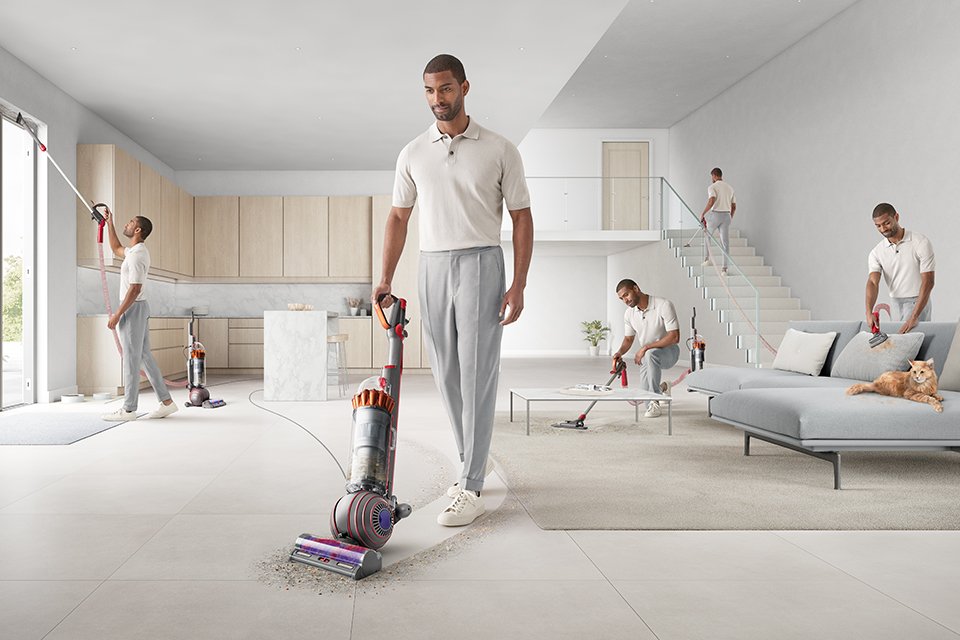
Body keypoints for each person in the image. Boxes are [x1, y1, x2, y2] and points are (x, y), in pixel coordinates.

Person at [374, 54, 533, 527]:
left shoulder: (500, 149)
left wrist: (518, 283)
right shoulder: (413, 152)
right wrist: (384, 278)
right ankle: (471, 465)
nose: (437, 99)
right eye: (429, 90)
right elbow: (398, 217)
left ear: (464, 87)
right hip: (432, 266)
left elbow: (521, 216)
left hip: (483, 262)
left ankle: (471, 484)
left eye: (445, 89)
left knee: (477, 372)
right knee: (445, 374)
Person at [101, 209, 178, 421]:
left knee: (131, 360)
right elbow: (116, 248)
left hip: (133, 308)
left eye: (130, 222)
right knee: (144, 356)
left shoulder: (138, 256)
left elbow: (134, 288)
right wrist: (110, 223)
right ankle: (167, 402)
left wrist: (117, 314)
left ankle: (128, 409)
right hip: (138, 308)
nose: (127, 224)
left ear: (137, 229)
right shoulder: (135, 252)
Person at [611, 279, 680, 418]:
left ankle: (655, 400)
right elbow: (628, 339)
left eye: (626, 295)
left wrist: (646, 348)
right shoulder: (629, 314)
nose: (625, 300)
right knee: (644, 397)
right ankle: (663, 388)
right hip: (647, 356)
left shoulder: (663, 305)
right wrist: (619, 352)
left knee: (650, 354)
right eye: (621, 298)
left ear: (636, 288)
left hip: (669, 352)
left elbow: (674, 337)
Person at [865, 203, 935, 333]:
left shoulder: (920, 242)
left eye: (886, 223)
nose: (883, 229)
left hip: (918, 301)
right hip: (895, 303)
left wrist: (914, 316)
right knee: (898, 344)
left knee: (914, 343)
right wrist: (868, 312)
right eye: (878, 226)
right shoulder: (876, 252)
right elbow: (873, 282)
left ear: (896, 217)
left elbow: (928, 281)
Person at [699, 167, 736, 274]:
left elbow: (711, 200)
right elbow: (734, 206)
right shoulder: (730, 188)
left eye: (712, 176)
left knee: (707, 235)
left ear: (714, 176)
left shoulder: (712, 187)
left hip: (716, 215)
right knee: (725, 243)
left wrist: (703, 213)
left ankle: (707, 259)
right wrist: (730, 217)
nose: (712, 178)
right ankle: (725, 269)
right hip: (726, 215)